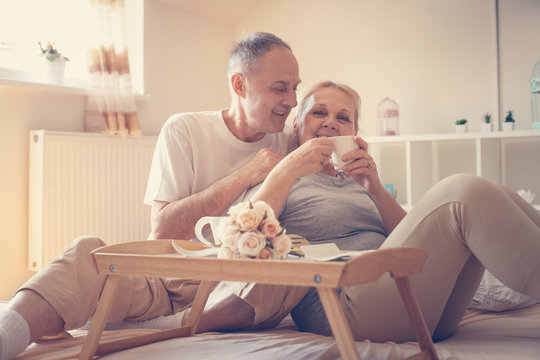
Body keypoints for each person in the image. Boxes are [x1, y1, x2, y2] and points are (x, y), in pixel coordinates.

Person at [0, 32, 307, 360]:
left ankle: (170, 324)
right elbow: (163, 230)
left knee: (294, 262)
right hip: (163, 284)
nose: (291, 101)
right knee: (86, 251)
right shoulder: (185, 129)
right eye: (279, 88)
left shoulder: (292, 145)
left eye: (295, 88)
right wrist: (248, 173)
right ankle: (7, 336)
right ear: (239, 85)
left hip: (232, 292)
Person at [242, 80, 540, 343]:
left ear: (354, 132)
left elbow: (410, 243)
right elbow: (243, 239)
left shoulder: (359, 181)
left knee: (497, 194)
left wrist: (376, 189)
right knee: (463, 192)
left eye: (342, 117)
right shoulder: (282, 176)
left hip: (413, 304)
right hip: (342, 306)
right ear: (297, 124)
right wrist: (286, 170)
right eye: (319, 112)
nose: (331, 122)